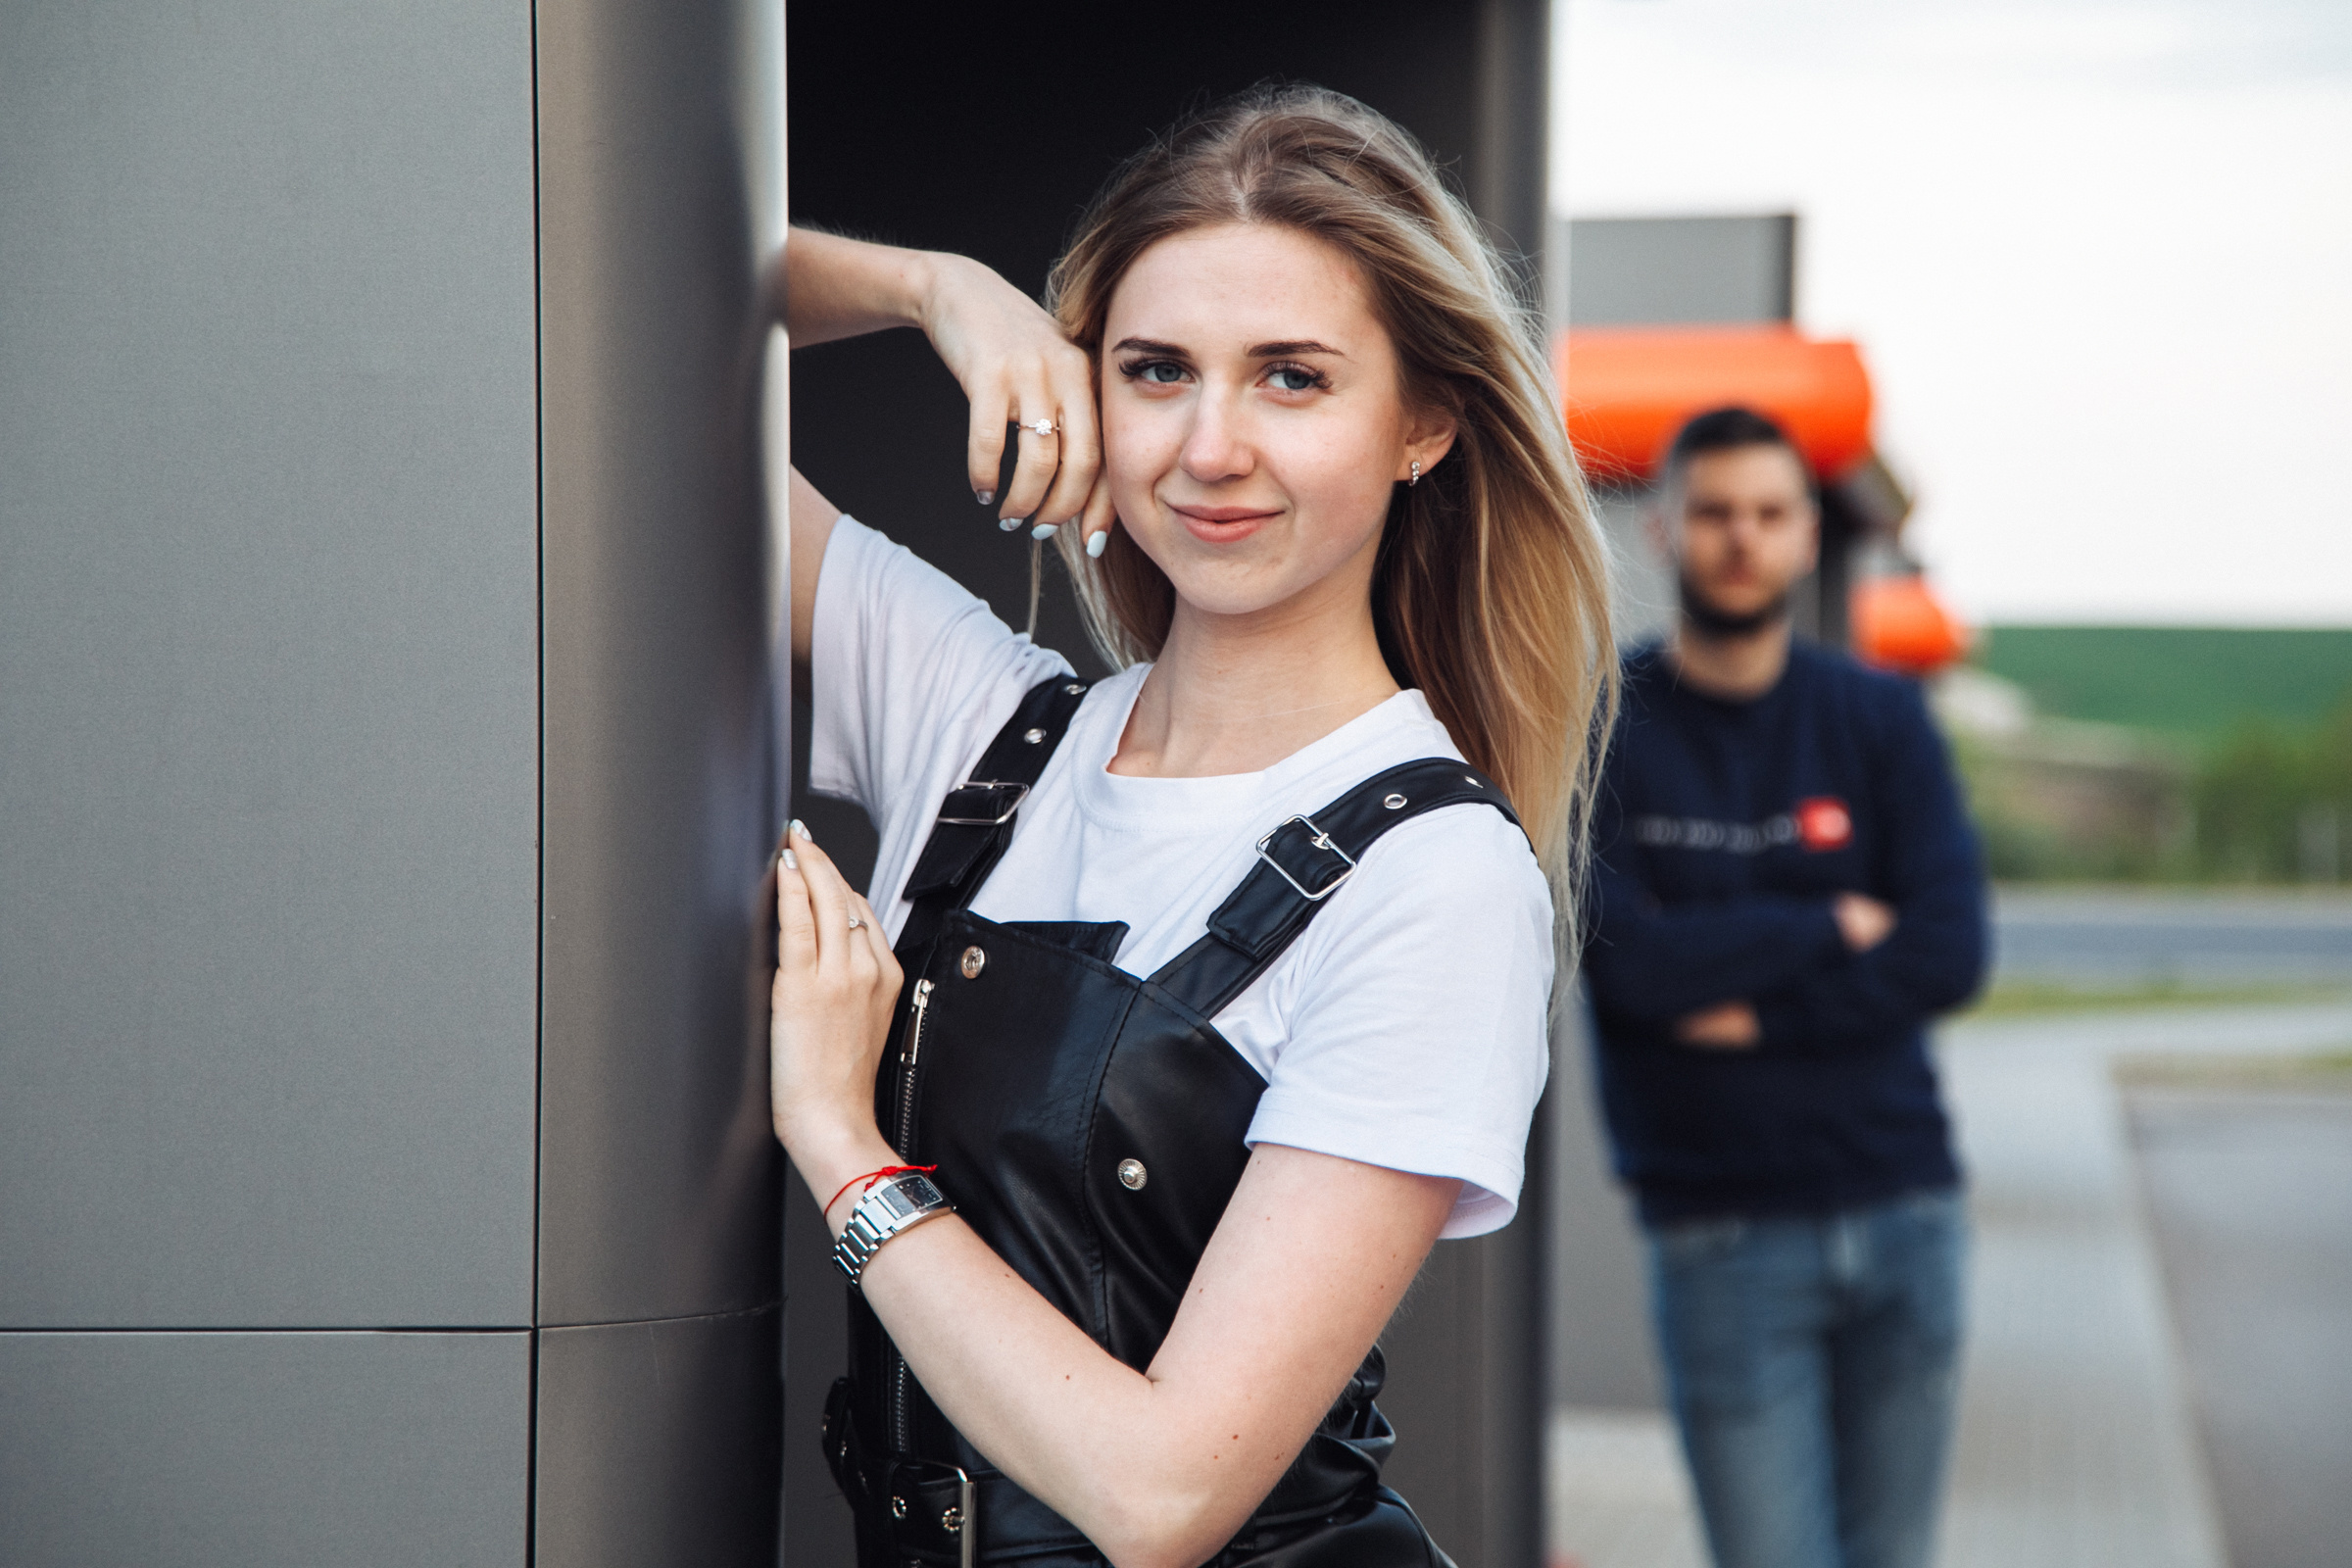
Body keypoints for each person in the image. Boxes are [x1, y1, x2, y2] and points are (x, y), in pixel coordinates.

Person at [766, 86, 1615, 1568]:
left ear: (1424, 425)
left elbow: (1163, 1497)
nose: (1211, 446)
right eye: (1156, 371)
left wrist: (843, 1146)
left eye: (1292, 378)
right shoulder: (981, 728)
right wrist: (938, 292)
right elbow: (620, 324)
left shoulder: (1437, 877)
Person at [1582, 408, 1988, 1568]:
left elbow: (1947, 952)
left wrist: (1749, 1006)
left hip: (1906, 1210)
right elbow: (1627, 969)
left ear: (1808, 535)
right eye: (1714, 512)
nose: (1741, 538)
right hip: (1725, 1233)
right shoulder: (1607, 723)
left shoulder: (1878, 718)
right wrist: (1823, 925)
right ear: (1663, 529)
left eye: (1768, 513)